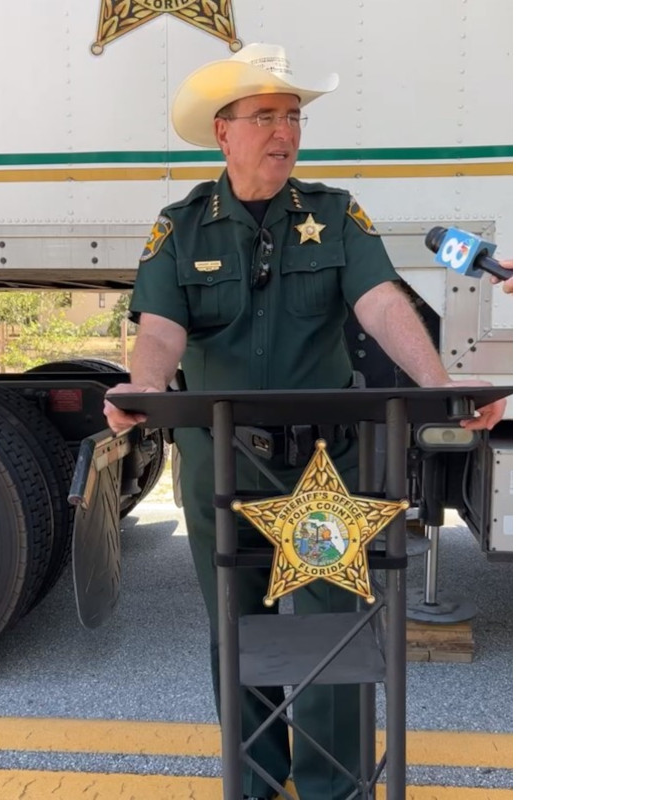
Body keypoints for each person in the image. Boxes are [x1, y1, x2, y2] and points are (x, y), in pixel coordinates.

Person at [102, 43, 506, 800]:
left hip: (324, 469)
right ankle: (255, 781)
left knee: (335, 632)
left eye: (293, 116)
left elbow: (382, 303)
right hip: (221, 464)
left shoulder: (335, 214)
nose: (284, 131)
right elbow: (159, 327)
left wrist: (442, 384)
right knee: (238, 629)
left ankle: (335, 784)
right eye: (265, 116)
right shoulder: (180, 226)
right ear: (224, 132)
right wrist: (144, 387)